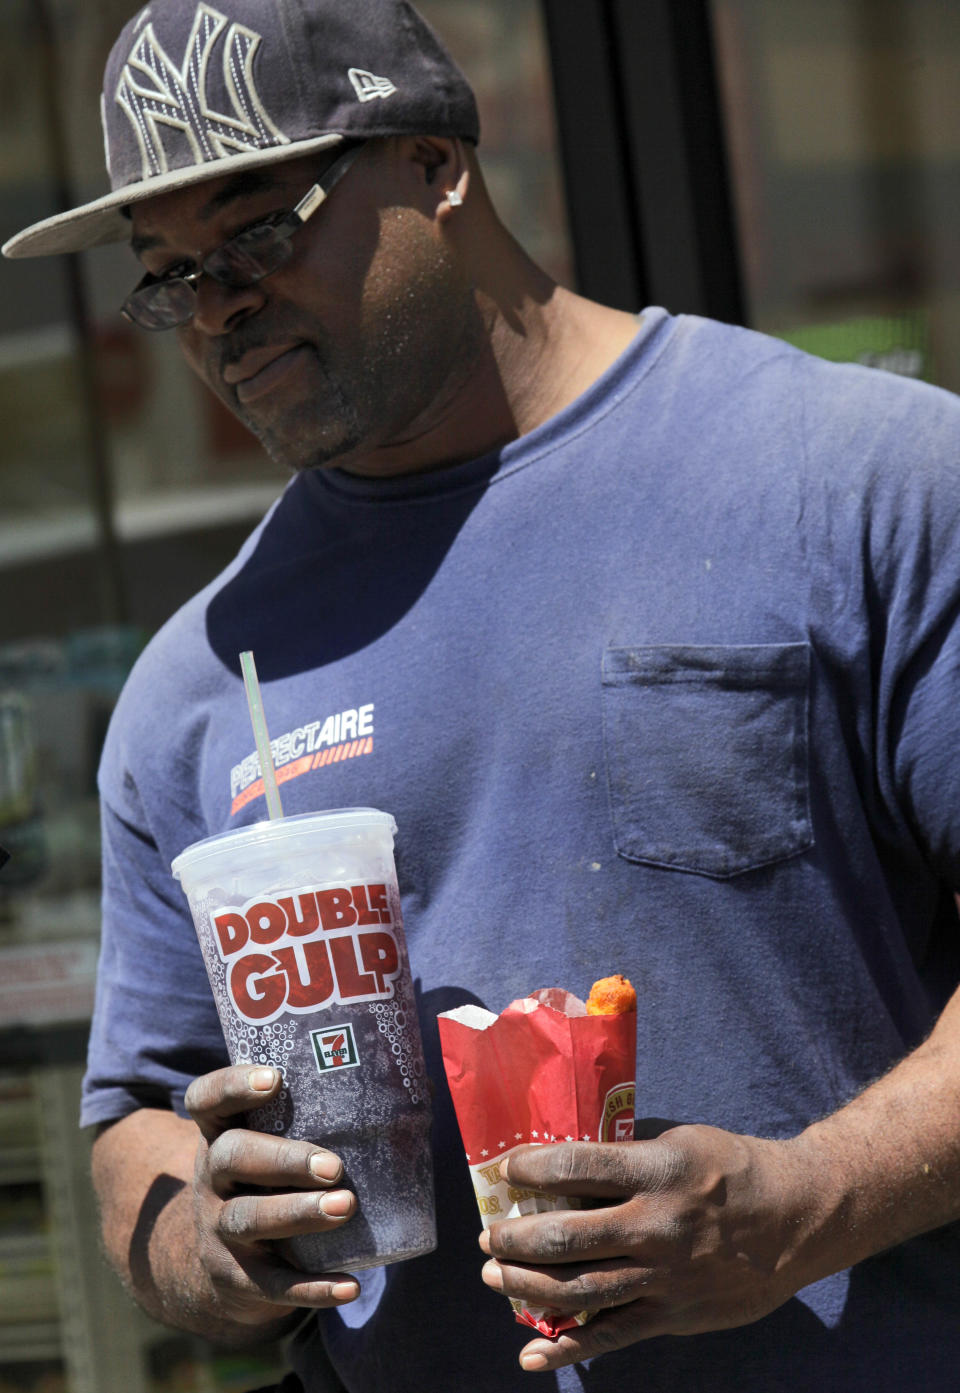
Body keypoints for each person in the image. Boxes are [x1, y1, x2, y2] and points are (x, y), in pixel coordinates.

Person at [5, 1, 960, 1389]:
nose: (217, 306)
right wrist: (203, 1240)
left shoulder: (853, 483)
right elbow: (135, 1126)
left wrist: (794, 1208)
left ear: (437, 164)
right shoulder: (201, 688)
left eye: (259, 229)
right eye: (171, 274)